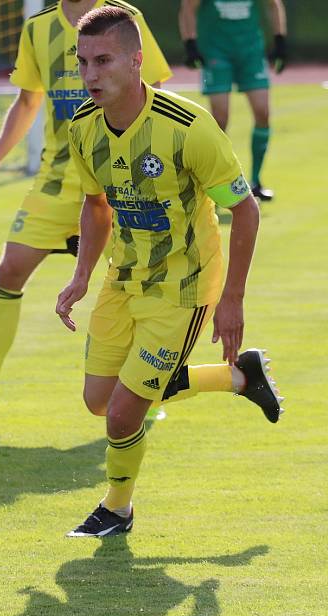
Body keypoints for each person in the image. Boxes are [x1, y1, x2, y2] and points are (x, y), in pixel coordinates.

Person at [55, 6, 284, 537]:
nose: (90, 75)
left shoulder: (187, 128)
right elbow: (95, 206)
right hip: (122, 279)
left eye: (103, 60)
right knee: (98, 401)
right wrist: (82, 276)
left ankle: (116, 509)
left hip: (184, 289)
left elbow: (245, 208)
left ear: (136, 61)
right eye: (83, 62)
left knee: (121, 416)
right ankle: (238, 377)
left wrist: (231, 300)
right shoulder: (84, 127)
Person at [0, 0, 171, 424]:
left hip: (118, 181)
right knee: (9, 271)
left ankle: (139, 396)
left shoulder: (121, 17)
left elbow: (156, 89)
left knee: (134, 286)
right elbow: (27, 102)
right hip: (57, 183)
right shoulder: (38, 28)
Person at [179, 0, 287, 201]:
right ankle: (217, 183)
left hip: (251, 51)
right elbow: (188, 7)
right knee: (220, 119)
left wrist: (280, 40)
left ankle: (255, 181)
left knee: (263, 112)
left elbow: (274, 5)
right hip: (216, 51)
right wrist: (190, 43)